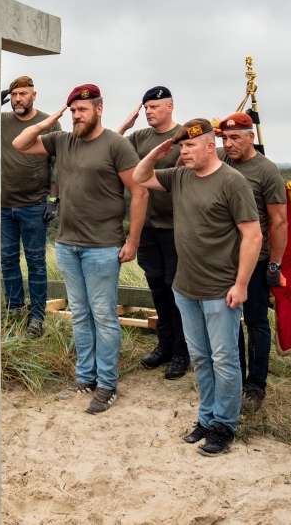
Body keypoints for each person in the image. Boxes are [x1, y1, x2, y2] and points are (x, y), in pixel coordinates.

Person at [13, 84, 147, 415]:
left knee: (103, 315)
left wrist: (132, 241)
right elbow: (20, 144)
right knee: (81, 314)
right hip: (67, 244)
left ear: (99, 110)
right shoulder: (62, 140)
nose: (76, 115)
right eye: (72, 110)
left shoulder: (117, 145)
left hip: (102, 246)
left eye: (82, 110)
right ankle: (84, 378)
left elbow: (139, 192)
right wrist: (49, 121)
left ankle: (107, 384)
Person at [133, 118, 262, 455]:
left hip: (221, 289)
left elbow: (253, 235)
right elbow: (139, 177)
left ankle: (224, 425)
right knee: (201, 359)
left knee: (225, 360)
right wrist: (159, 150)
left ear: (209, 146)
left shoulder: (233, 182)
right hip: (185, 288)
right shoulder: (180, 177)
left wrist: (242, 284)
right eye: (181, 146)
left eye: (190, 146)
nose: (183, 152)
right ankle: (205, 419)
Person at [118, 86, 190, 379]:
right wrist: (126, 124)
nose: (148, 111)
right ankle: (165, 345)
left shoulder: (186, 133)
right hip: (148, 226)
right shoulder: (139, 137)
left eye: (154, 107)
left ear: (170, 106)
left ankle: (182, 352)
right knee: (158, 287)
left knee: (177, 290)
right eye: (146, 107)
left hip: (176, 225)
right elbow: (112, 146)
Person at [217, 113, 287, 412]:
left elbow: (279, 221)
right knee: (228, 323)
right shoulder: (222, 160)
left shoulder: (266, 171)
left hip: (256, 259)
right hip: (223, 259)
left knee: (256, 322)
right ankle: (233, 380)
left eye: (235, 138)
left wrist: (274, 264)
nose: (228, 144)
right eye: (224, 138)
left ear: (250, 137)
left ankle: (256, 386)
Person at [0, 76, 61, 337]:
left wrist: (54, 199)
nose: (17, 99)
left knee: (35, 261)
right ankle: (14, 310)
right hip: (3, 205)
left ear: (34, 96)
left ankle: (36, 316)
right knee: (7, 260)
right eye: (13, 95)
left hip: (35, 205)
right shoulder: (1, 120)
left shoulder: (48, 122)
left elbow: (58, 162)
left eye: (22, 94)